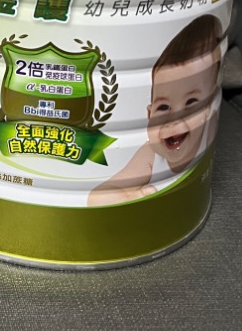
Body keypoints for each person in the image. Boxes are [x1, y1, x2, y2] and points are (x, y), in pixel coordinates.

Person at [87, 15, 223, 207]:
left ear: (209, 107)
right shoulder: (151, 153)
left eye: (191, 102)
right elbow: (99, 195)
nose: (174, 119)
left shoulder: (208, 131)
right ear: (149, 115)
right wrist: (130, 197)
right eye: (164, 107)